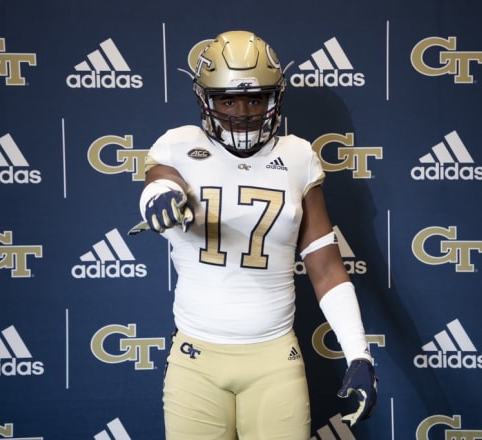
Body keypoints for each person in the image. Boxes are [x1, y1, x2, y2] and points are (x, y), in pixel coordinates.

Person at [130, 30, 378, 440]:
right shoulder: (178, 146)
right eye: (227, 99)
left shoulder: (297, 156)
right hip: (196, 359)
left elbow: (326, 268)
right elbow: (159, 183)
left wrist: (358, 352)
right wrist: (160, 196)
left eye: (254, 98)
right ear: (206, 99)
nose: (242, 111)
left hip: (274, 359)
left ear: (274, 99)